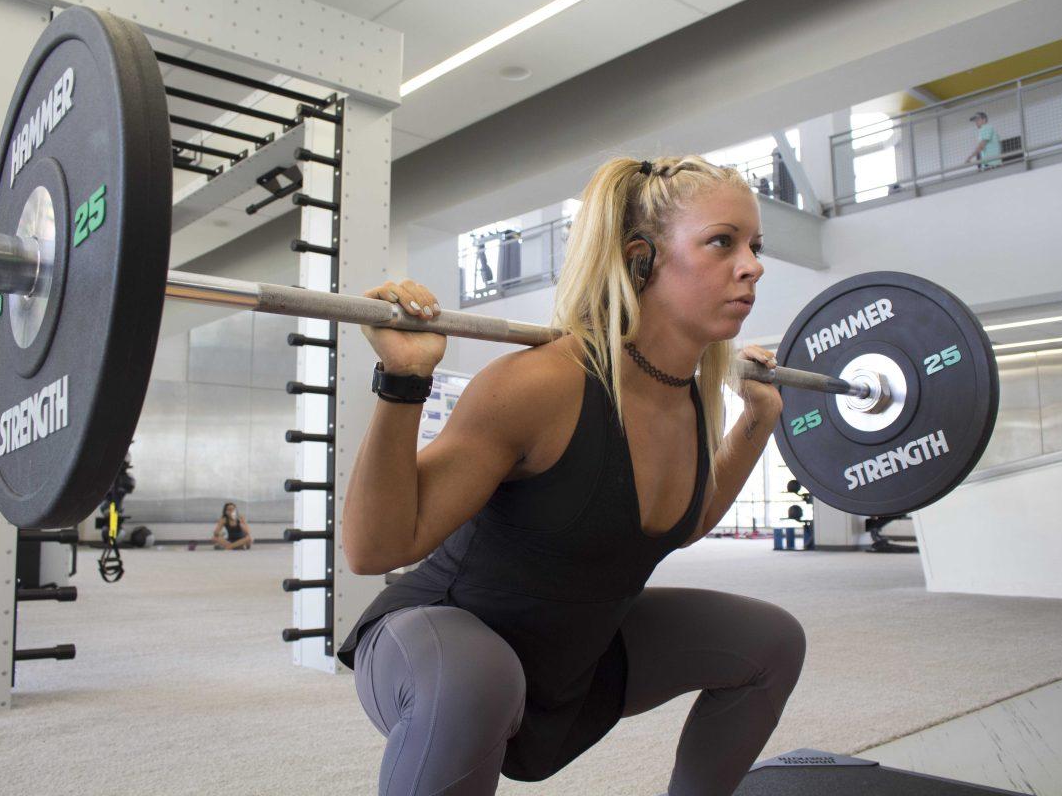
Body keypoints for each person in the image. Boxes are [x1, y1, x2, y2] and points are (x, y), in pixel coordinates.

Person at [340, 156, 806, 795]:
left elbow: (685, 521)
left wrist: (758, 419)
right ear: (640, 258)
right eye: (722, 242)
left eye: (754, 245)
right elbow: (376, 548)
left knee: (770, 642)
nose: (752, 265)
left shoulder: (687, 394)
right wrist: (403, 381)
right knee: (478, 681)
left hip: (575, 647)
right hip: (440, 642)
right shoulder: (540, 385)